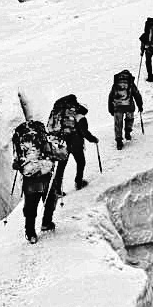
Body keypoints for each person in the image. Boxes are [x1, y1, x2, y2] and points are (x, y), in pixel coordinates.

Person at [42, 94, 98, 228]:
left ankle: (57, 190)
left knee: (61, 166)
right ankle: (78, 182)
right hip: (76, 144)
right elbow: (84, 133)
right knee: (81, 162)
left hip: (63, 144)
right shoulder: (81, 118)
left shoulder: (63, 118)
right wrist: (93, 139)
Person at [12, 119, 56, 244]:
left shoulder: (21, 144)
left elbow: (16, 164)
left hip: (29, 180)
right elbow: (59, 154)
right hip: (45, 177)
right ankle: (46, 223)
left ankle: (30, 233)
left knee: (31, 207)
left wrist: (20, 165)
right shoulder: (44, 140)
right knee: (49, 201)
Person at [108, 70, 143, 150]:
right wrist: (140, 106)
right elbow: (137, 95)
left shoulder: (116, 83)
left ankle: (119, 142)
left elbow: (111, 96)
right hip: (129, 106)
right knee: (129, 119)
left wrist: (111, 109)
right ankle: (127, 132)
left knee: (118, 124)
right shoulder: (130, 82)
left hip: (117, 107)